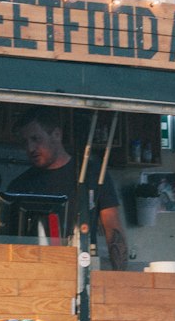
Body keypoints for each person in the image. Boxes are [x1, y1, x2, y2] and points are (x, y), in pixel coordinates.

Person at [9, 106, 128, 269]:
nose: (30, 148)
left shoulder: (92, 173)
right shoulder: (19, 185)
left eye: (36, 139)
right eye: (25, 142)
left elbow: (112, 225)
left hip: (84, 267)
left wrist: (120, 275)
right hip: (34, 272)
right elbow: (9, 241)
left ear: (57, 134)